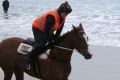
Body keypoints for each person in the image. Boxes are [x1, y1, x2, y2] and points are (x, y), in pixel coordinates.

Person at [24, 1, 72, 69]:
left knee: (54, 43)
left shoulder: (63, 17)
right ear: (60, 11)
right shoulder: (52, 17)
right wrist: (49, 40)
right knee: (41, 45)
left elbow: (59, 31)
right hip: (38, 27)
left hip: (48, 30)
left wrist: (55, 39)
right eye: (65, 13)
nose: (66, 15)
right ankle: (28, 61)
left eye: (67, 14)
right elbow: (46, 32)